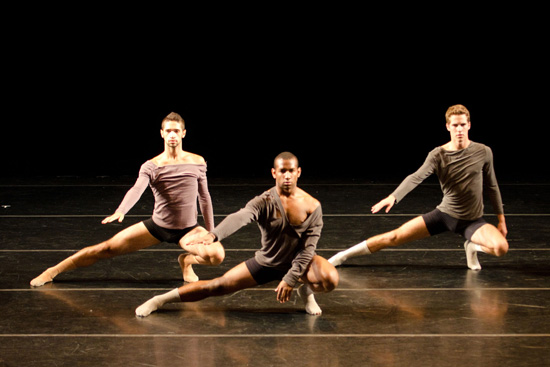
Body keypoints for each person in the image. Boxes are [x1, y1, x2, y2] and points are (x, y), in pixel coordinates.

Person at [30, 112, 224, 287]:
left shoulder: (197, 162)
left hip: (188, 229)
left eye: (176, 131)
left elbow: (204, 197)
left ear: (183, 133)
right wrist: (121, 210)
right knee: (105, 249)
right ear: (162, 133)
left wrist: (211, 232)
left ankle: (186, 261)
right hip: (158, 226)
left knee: (217, 255)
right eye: (168, 131)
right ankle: (52, 271)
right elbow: (137, 188)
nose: (172, 135)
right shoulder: (151, 166)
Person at [135, 152, 339, 317]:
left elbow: (308, 249)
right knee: (217, 286)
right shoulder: (264, 201)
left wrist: (291, 278)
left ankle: (307, 292)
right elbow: (240, 217)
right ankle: (159, 300)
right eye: (282, 171)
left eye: (291, 171)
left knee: (329, 279)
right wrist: (214, 235)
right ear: (274, 173)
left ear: (298, 172)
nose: (287, 176)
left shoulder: (313, 206)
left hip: (299, 264)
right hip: (267, 262)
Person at [329, 104, 508, 270]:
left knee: (500, 247)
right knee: (394, 237)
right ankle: (342, 256)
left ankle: (472, 247)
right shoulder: (438, 155)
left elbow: (492, 186)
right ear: (448, 127)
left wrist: (501, 220)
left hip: (472, 221)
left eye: (462, 124)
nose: (459, 129)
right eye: (455, 125)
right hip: (445, 215)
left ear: (469, 125)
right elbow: (416, 177)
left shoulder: (484, 151)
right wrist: (394, 196)